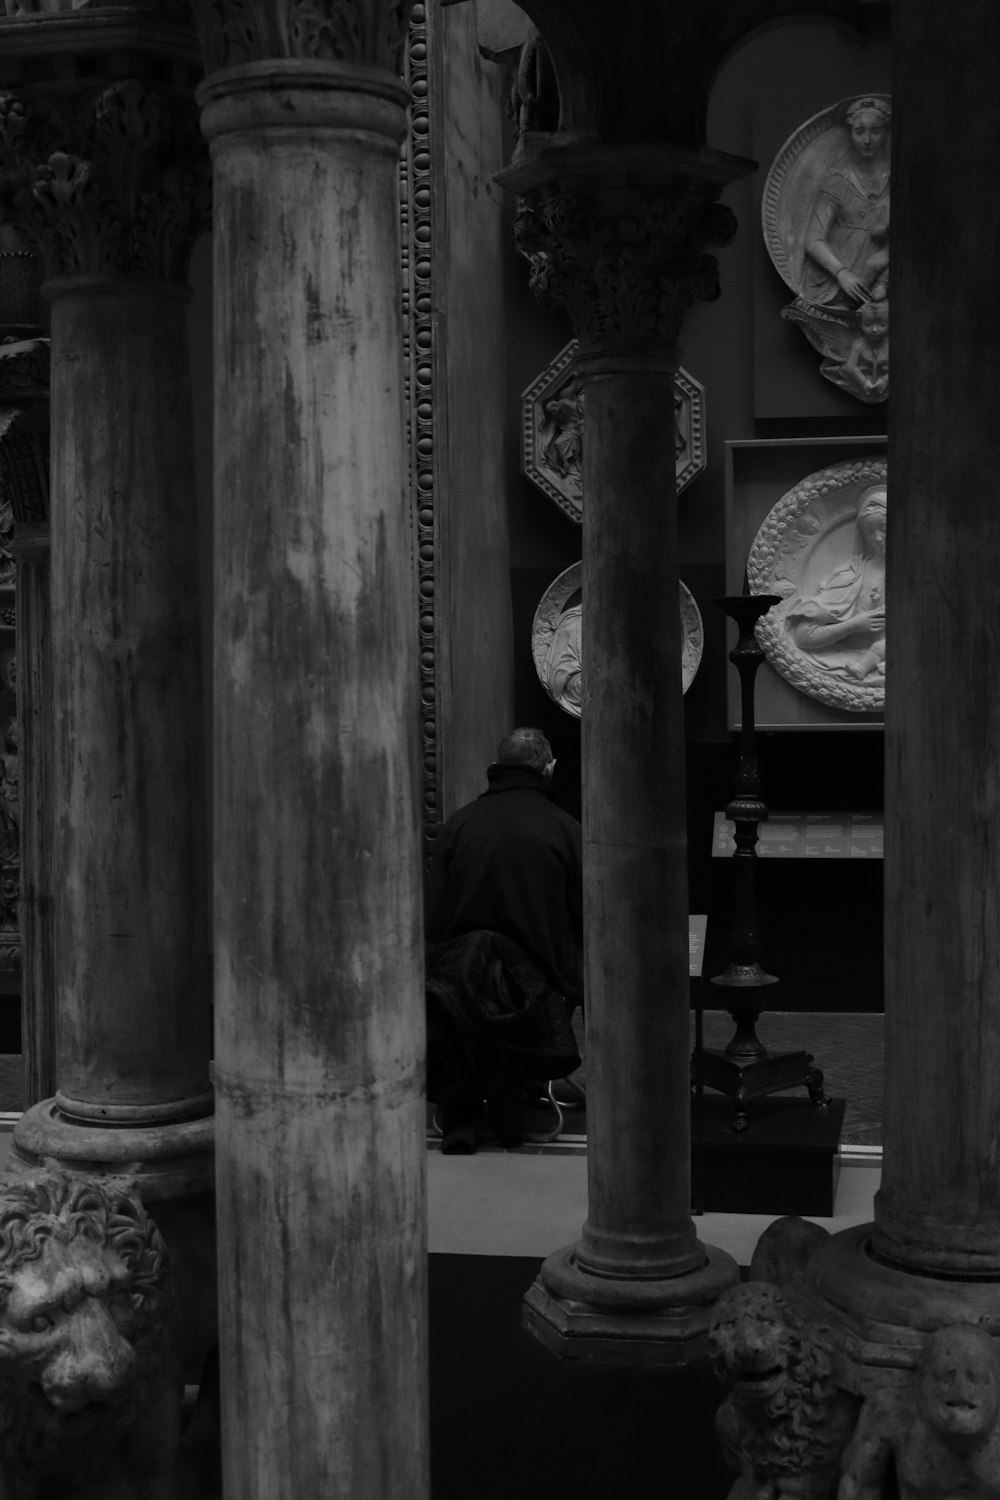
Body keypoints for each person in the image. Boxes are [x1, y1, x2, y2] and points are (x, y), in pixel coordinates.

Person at [424, 727, 583, 1153]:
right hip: (539, 984)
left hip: (464, 975)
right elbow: (584, 913)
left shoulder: (458, 824)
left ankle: (460, 1122)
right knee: (516, 995)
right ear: (548, 768)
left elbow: (434, 916)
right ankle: (511, 1117)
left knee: (457, 999)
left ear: (496, 767)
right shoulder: (565, 828)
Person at [786, 484, 886, 683]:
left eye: (884, 528)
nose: (878, 538)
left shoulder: (922, 578)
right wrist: (853, 625)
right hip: (855, 662)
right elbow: (803, 636)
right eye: (869, 531)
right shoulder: (851, 577)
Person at [802, 96, 890, 311]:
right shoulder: (835, 181)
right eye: (859, 131)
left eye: (875, 131)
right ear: (851, 133)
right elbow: (813, 239)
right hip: (838, 281)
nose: (867, 140)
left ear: (886, 133)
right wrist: (842, 274)